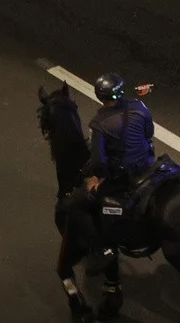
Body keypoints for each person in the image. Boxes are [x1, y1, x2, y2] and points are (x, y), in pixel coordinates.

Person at [68, 73, 155, 273]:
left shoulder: (99, 124)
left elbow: (99, 161)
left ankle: (104, 249)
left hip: (124, 177)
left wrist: (96, 178)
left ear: (99, 96)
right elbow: (148, 133)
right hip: (148, 165)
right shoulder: (140, 106)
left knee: (77, 205)